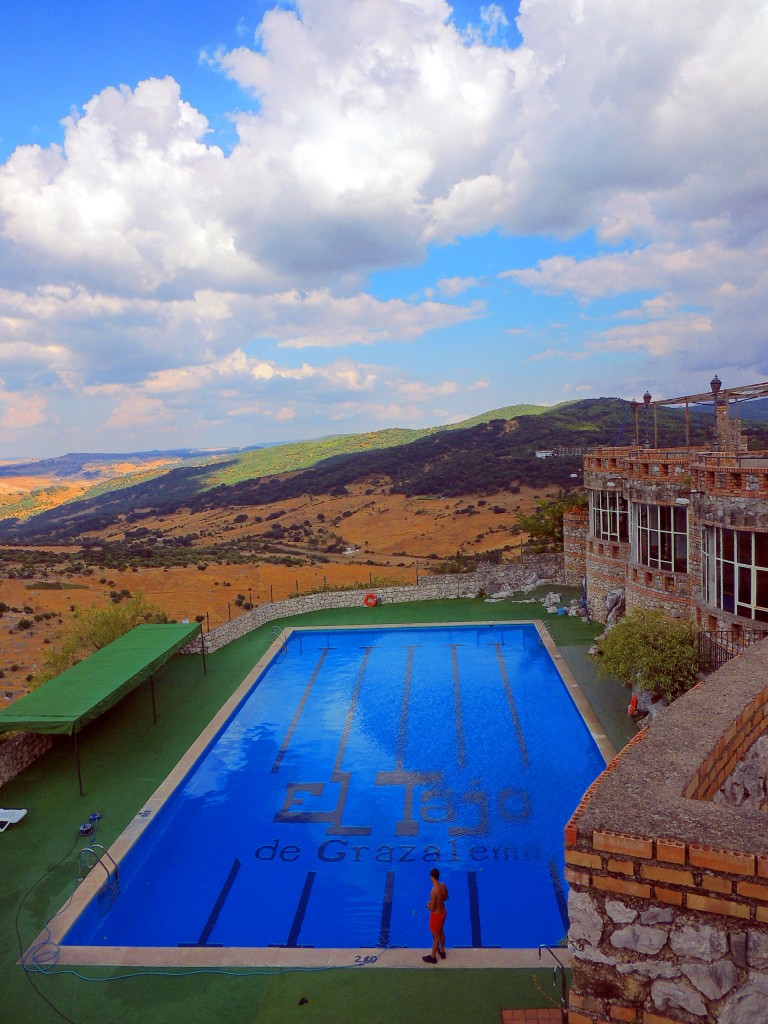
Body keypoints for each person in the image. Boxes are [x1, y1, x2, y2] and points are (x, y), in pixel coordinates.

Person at [422, 867, 448, 964]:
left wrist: (427, 905)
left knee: (435, 936)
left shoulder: (433, 891)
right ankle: (442, 951)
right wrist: (437, 901)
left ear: (432, 877)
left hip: (436, 916)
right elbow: (446, 898)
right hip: (443, 913)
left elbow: (432, 908)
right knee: (441, 931)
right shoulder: (443, 885)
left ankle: (433, 957)